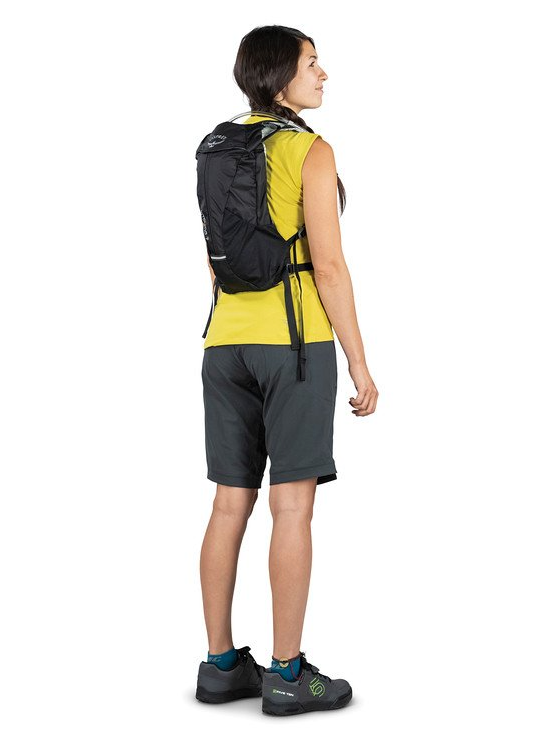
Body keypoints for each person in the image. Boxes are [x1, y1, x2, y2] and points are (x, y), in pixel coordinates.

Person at [195, 25, 378, 717]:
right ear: (279, 77)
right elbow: (327, 266)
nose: (323, 74)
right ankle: (285, 673)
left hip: (223, 343)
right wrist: (358, 361)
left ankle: (219, 666)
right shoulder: (309, 149)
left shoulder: (216, 146)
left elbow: (215, 256)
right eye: (311, 63)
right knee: (292, 506)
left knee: (228, 503)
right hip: (294, 344)